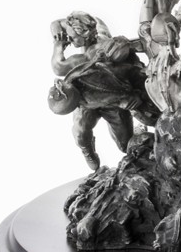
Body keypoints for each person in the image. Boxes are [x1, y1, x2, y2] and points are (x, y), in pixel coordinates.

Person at [48, 12, 157, 170]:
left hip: (114, 100)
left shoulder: (96, 55)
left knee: (125, 146)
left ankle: (137, 134)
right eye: (69, 36)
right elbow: (56, 23)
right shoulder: (91, 25)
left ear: (85, 36)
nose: (69, 40)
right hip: (83, 98)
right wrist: (58, 35)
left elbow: (58, 67)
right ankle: (88, 150)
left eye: (73, 38)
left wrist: (58, 46)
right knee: (80, 131)